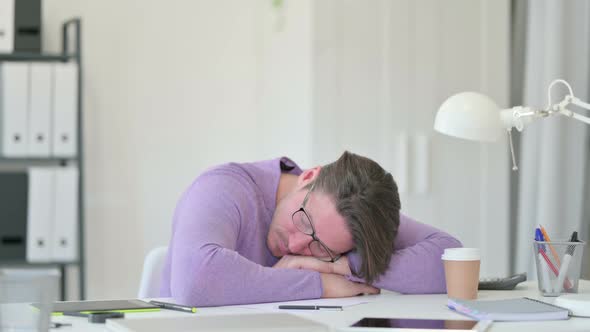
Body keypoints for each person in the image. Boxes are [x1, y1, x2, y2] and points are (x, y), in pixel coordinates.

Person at [160, 151, 462, 306]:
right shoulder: (224, 187)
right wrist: (320, 285)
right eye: (303, 220)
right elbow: (197, 279)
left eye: (320, 249)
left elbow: (451, 260)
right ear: (309, 176)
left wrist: (342, 266)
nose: (296, 245)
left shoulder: (349, 218)